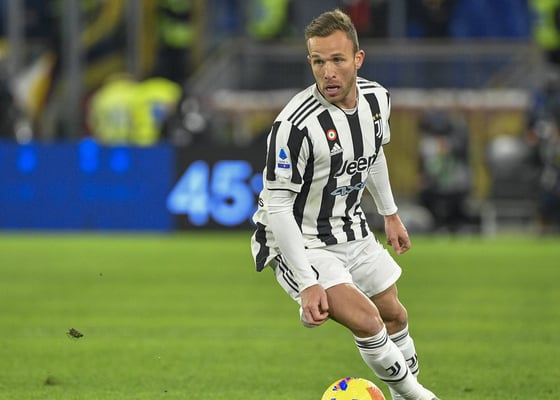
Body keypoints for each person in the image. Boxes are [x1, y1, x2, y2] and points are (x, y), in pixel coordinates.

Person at [250, 9, 440, 400]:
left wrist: (390, 214)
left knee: (394, 315)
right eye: (318, 62)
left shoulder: (377, 100)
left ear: (358, 58)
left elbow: (374, 155)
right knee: (368, 321)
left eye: (337, 59)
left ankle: (405, 396)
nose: (328, 72)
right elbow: (279, 207)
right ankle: (421, 397)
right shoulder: (294, 126)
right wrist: (307, 283)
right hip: (301, 241)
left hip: (350, 228)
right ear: (310, 62)